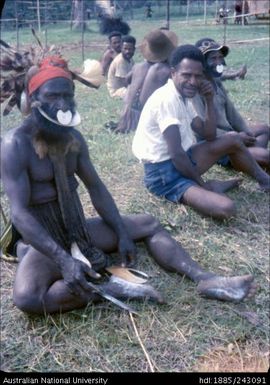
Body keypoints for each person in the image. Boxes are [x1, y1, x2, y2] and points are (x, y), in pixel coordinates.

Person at [0, 55, 257, 315]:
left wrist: (121, 232)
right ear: (32, 100)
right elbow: (20, 214)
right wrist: (62, 258)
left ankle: (205, 279)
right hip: (43, 241)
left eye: (68, 96)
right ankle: (108, 289)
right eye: (53, 96)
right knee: (28, 299)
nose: (62, 104)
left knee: (149, 224)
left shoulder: (72, 139)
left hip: (78, 230)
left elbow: (96, 188)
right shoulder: (15, 145)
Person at [132, 45, 270, 220]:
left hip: (183, 159)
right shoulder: (166, 100)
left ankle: (265, 181)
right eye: (186, 75)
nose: (193, 81)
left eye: (197, 76)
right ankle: (209, 187)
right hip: (163, 175)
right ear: (173, 73)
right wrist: (202, 184)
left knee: (232, 138)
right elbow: (176, 155)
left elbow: (209, 135)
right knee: (226, 209)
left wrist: (209, 100)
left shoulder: (182, 96)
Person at [194, 38, 269, 170]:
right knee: (265, 156)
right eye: (213, 58)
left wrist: (245, 133)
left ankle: (245, 159)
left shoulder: (216, 82)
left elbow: (233, 115)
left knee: (264, 129)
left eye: (220, 57)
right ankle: (242, 158)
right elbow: (202, 130)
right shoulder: (195, 90)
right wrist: (236, 138)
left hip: (231, 136)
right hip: (213, 143)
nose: (219, 62)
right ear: (201, 63)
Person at [116, 29, 177, 133]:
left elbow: (126, 81)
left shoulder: (138, 66)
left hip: (127, 115)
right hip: (145, 118)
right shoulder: (165, 70)